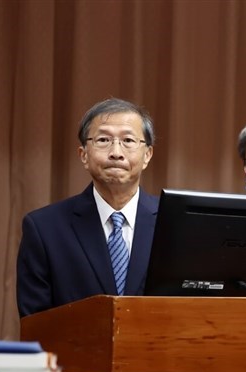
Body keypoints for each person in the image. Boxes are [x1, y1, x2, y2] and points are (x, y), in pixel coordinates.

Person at [17, 98, 159, 317]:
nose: (116, 152)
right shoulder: (44, 229)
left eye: (128, 140)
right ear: (83, 155)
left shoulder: (173, 224)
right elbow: (36, 323)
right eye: (103, 140)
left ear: (147, 155)